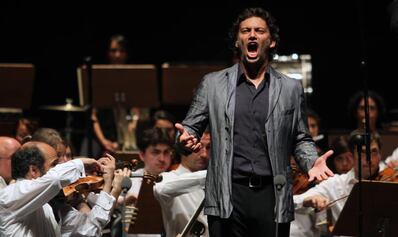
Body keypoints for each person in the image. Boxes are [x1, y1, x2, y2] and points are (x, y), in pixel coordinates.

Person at [175, 7, 333, 237]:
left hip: (272, 194)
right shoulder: (213, 84)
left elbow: (300, 137)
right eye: (245, 31)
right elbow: (188, 128)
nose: (252, 35)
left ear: (270, 41)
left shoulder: (290, 88)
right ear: (238, 41)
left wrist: (311, 162)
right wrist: (183, 140)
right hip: (227, 193)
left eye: (259, 31)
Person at [0, 141, 102, 237]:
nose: (59, 167)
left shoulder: (45, 202)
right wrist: (80, 163)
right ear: (33, 170)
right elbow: (55, 178)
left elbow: (89, 231)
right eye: (54, 164)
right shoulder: (11, 194)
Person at [294, 130, 382, 236]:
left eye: (374, 152)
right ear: (352, 156)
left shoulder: (388, 182)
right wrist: (308, 200)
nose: (369, 160)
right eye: (363, 153)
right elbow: (293, 202)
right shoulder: (334, 184)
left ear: (381, 155)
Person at [154, 130, 210, 237]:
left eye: (208, 147)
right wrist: (210, 175)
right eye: (198, 147)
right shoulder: (168, 178)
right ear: (183, 148)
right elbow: (160, 189)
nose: (204, 154)